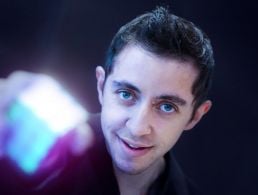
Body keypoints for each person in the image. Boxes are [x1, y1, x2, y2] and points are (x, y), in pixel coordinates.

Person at [0, 6, 214, 195]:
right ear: (101, 86)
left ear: (195, 116)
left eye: (167, 107)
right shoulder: (32, 156)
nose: (138, 128)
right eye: (126, 94)